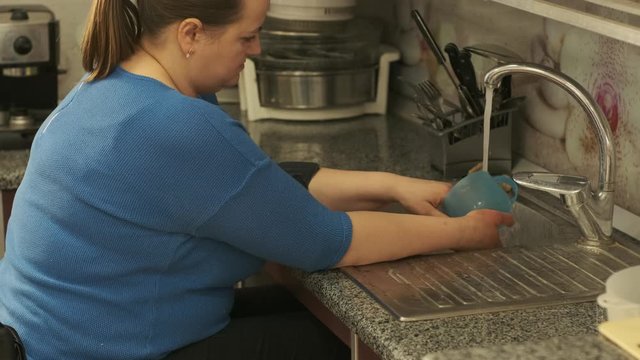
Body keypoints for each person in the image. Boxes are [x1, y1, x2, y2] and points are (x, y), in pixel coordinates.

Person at [0, 0, 514, 359]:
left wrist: (392, 185)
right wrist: (463, 233)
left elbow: (257, 185)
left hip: (58, 337)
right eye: (247, 35)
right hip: (97, 349)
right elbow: (324, 241)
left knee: (308, 315)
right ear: (191, 33)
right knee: (355, 344)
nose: (259, 49)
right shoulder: (172, 123)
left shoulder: (112, 86)